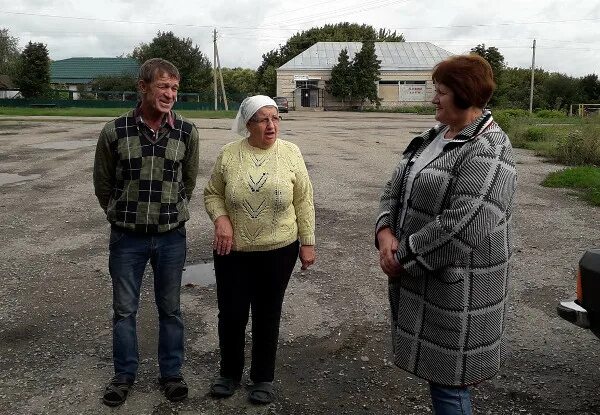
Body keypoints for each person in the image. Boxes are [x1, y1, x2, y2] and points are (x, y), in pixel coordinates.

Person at [375, 55, 517, 415]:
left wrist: (401, 257)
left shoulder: (489, 150)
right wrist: (385, 232)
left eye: (440, 92)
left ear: (465, 95)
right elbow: (395, 186)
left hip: (458, 290)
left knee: (451, 384)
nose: (433, 99)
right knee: (441, 379)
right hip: (426, 280)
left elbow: (462, 225)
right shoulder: (436, 136)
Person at [93, 58, 199, 406]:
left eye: (174, 88)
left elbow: (188, 183)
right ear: (143, 87)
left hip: (171, 237)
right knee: (125, 310)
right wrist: (119, 213)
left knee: (170, 309)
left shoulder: (186, 132)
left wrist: (170, 212)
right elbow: (103, 184)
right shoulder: (114, 131)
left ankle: (171, 374)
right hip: (127, 239)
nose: (169, 94)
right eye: (163, 86)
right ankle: (123, 376)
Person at [204, 95, 316, 404]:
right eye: (263, 119)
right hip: (232, 250)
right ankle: (229, 373)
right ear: (248, 124)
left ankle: (263, 378)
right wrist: (221, 219)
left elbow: (304, 200)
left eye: (276, 118)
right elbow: (213, 193)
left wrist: (307, 242)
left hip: (279, 250)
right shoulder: (229, 154)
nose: (271, 125)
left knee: (268, 314)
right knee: (231, 314)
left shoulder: (291, 153)